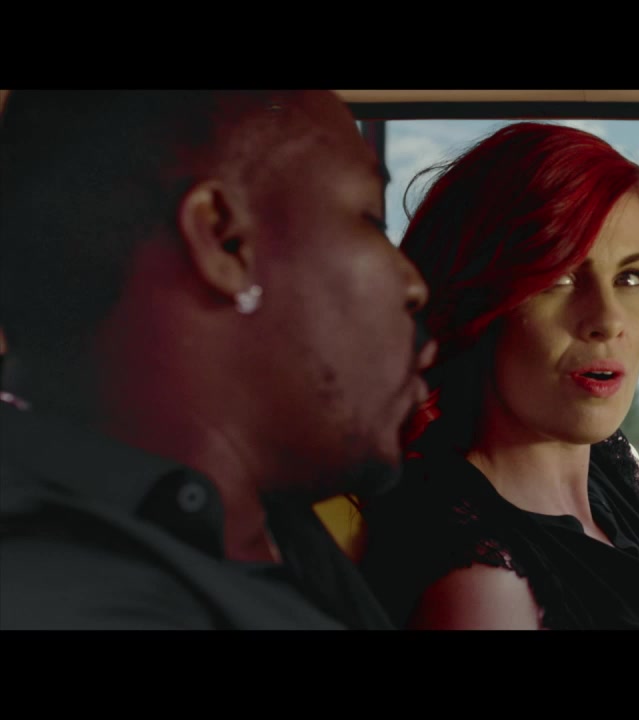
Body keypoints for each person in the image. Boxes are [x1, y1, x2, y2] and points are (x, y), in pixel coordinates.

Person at [0, 90, 436, 629]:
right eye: (372, 218)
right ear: (223, 239)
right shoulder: (68, 595)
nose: (414, 285)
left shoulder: (264, 520)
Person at [356, 122, 639, 629]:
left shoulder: (609, 467)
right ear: (477, 302)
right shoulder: (483, 583)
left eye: (631, 277)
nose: (608, 319)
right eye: (559, 276)